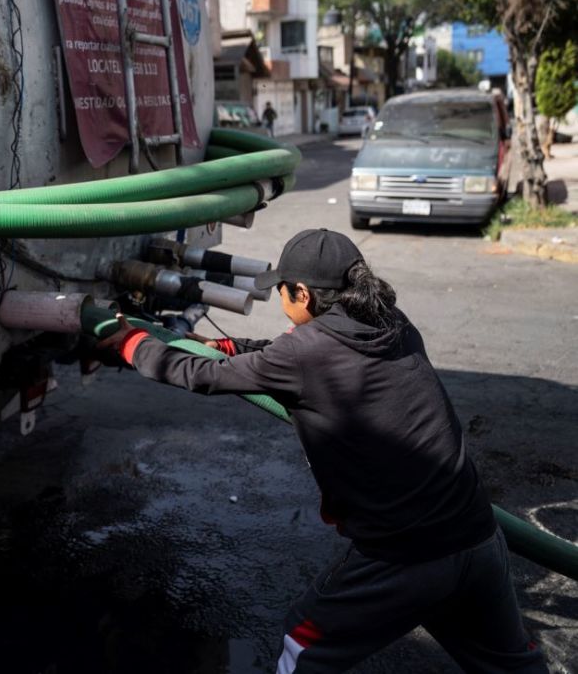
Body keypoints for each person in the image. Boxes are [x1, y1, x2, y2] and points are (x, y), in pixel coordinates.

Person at [98, 229, 547, 673]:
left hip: (406, 556)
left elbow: (202, 376)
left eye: (282, 292)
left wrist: (131, 343)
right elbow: (294, 355)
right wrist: (231, 346)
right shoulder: (393, 323)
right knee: (508, 664)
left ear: (304, 294)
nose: (280, 300)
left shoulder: (305, 352)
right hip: (479, 539)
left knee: (303, 643)